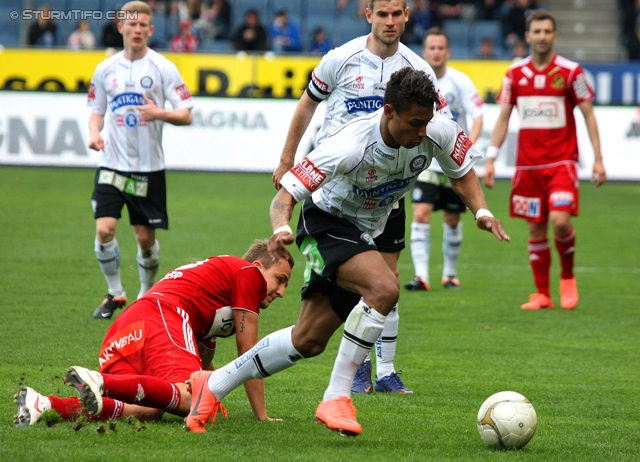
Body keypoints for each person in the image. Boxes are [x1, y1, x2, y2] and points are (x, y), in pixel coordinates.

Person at [184, 67, 509, 435]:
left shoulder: (435, 129)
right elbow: (285, 195)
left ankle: (210, 386)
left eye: (427, 123)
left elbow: (461, 170)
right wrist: (281, 228)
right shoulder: (350, 143)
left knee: (307, 340)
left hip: (366, 230)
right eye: (415, 123)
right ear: (389, 112)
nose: (423, 133)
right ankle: (336, 396)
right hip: (325, 223)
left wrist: (480, 210)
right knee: (384, 288)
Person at [272, 0, 451, 398]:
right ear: (368, 15)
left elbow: (441, 124)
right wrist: (288, 157)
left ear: (407, 16)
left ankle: (385, 371)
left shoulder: (417, 69)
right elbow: (307, 105)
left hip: (389, 185)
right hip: (339, 187)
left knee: (387, 279)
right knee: (364, 285)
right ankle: (358, 371)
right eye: (382, 14)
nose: (390, 21)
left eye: (397, 14)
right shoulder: (340, 59)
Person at [14, 240, 294, 426]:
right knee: (188, 399)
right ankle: (99, 380)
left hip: (129, 325)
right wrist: (262, 416)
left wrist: (212, 392)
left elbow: (205, 361)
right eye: (279, 280)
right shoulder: (248, 274)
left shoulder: (216, 295)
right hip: (164, 314)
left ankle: (44, 404)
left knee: (150, 407)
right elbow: (248, 351)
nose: (281, 292)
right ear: (258, 268)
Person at [483, 10, 606, 310]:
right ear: (527, 36)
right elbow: (503, 119)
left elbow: (589, 115)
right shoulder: (514, 74)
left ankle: (567, 278)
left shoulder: (570, 72)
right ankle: (542, 294)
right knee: (536, 229)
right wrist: (491, 158)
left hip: (562, 163)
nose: (541, 36)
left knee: (560, 221)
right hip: (527, 166)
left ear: (554, 35)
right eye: (536, 31)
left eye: (547, 31)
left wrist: (598, 160)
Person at [87, 1, 193, 320]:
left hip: (148, 170)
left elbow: (186, 113)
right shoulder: (105, 69)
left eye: (142, 25)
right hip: (111, 165)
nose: (137, 30)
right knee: (104, 229)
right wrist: (94, 133)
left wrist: (159, 113)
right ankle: (115, 294)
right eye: (131, 25)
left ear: (151, 29)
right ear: (120, 27)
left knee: (145, 239)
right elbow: (96, 111)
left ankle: (146, 294)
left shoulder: (163, 67)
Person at [406, 27, 486, 291]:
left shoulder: (460, 81)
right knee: (421, 213)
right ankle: (421, 276)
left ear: (448, 52)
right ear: (424, 51)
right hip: (426, 160)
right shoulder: (417, 81)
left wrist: (466, 145)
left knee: (452, 219)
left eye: (441, 48)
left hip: (451, 161)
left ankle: (450, 275)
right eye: (432, 48)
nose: (436, 52)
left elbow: (478, 115)